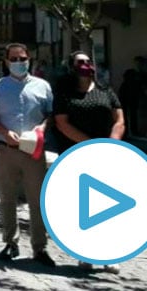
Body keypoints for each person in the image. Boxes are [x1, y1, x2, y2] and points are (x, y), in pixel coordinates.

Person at [0, 42, 55, 267]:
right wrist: (4, 133)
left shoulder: (42, 86)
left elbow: (49, 114)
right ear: (6, 62)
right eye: (13, 59)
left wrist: (42, 128)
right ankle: (10, 243)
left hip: (33, 150)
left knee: (37, 199)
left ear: (29, 59)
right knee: (7, 198)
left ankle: (39, 247)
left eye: (22, 58)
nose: (18, 63)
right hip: (6, 150)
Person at [55, 50, 125, 273]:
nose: (85, 65)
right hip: (76, 154)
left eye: (87, 61)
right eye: (80, 62)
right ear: (72, 67)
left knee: (107, 205)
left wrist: (112, 141)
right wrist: (89, 144)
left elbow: (119, 119)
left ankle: (109, 254)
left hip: (105, 155)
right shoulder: (65, 94)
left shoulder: (106, 91)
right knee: (82, 207)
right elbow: (62, 123)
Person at [119, 56, 147, 138]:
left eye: (140, 63)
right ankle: (126, 132)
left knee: (133, 115)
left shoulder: (143, 75)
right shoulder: (130, 72)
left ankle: (134, 132)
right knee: (124, 115)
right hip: (125, 95)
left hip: (134, 96)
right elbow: (125, 81)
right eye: (137, 63)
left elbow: (143, 87)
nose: (138, 65)